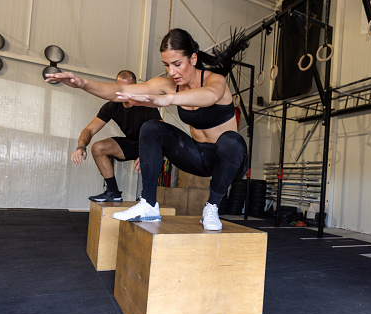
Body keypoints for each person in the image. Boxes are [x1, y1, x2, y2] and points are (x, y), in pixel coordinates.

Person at [46, 28, 249, 230]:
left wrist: (168, 99)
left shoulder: (215, 80)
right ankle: (149, 204)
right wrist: (83, 83)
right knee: (152, 128)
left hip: (228, 160)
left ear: (193, 59)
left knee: (232, 140)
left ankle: (211, 208)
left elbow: (210, 95)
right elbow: (122, 91)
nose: (171, 72)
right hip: (197, 157)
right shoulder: (169, 84)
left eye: (177, 64)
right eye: (167, 65)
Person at [71, 70, 162, 202]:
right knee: (98, 148)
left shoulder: (146, 106)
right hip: (131, 144)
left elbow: (161, 133)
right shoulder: (112, 106)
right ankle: (113, 192)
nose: (123, 92)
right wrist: (81, 146)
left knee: (157, 151)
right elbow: (89, 129)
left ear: (136, 87)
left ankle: (147, 196)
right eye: (120, 88)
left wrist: (148, 153)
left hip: (148, 145)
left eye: (128, 88)